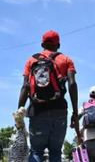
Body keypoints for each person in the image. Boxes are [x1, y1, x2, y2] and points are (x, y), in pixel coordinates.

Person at [17, 30, 79, 162]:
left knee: (36, 151)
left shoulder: (31, 61)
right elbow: (72, 84)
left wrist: (19, 112)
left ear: (42, 44)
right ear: (59, 45)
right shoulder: (66, 60)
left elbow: (25, 87)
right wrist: (75, 112)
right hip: (59, 111)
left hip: (37, 112)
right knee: (56, 151)